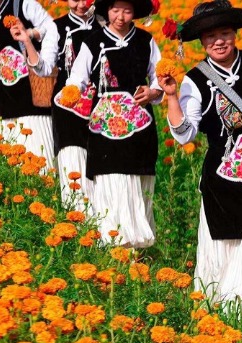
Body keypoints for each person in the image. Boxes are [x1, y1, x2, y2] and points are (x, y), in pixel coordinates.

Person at [158, 0, 242, 317]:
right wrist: (172, 96)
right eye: (211, 35)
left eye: (226, 32)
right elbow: (184, 133)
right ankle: (221, 323)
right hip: (222, 184)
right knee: (224, 253)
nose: (219, 40)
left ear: (235, 34)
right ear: (201, 41)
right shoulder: (193, 79)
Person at [67, 0, 163, 248]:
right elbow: (78, 77)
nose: (120, 16)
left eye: (128, 10)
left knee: (137, 181)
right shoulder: (92, 42)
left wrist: (153, 92)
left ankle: (139, 244)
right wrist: (71, 93)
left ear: (135, 13)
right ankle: (112, 242)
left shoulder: (145, 41)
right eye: (115, 10)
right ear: (106, 11)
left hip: (139, 124)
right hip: (104, 125)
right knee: (110, 178)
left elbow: (159, 78)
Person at [0, 0, 57, 168]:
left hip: (31, 91)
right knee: (10, 158)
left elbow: (51, 27)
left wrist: (30, 34)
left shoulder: (23, 4)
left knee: (39, 154)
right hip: (2, 95)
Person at [51, 0, 101, 209]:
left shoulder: (106, 27)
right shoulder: (55, 27)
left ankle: (101, 217)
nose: (81, 4)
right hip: (66, 103)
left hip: (100, 105)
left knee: (98, 156)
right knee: (72, 155)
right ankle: (77, 214)